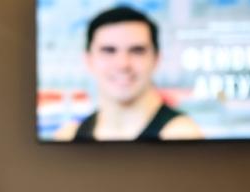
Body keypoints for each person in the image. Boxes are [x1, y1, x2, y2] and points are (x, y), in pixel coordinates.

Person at [56, 6, 202, 141]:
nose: (123, 64)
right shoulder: (69, 136)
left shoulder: (181, 135)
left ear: (156, 59)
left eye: (137, 51)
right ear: (88, 60)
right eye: (109, 50)